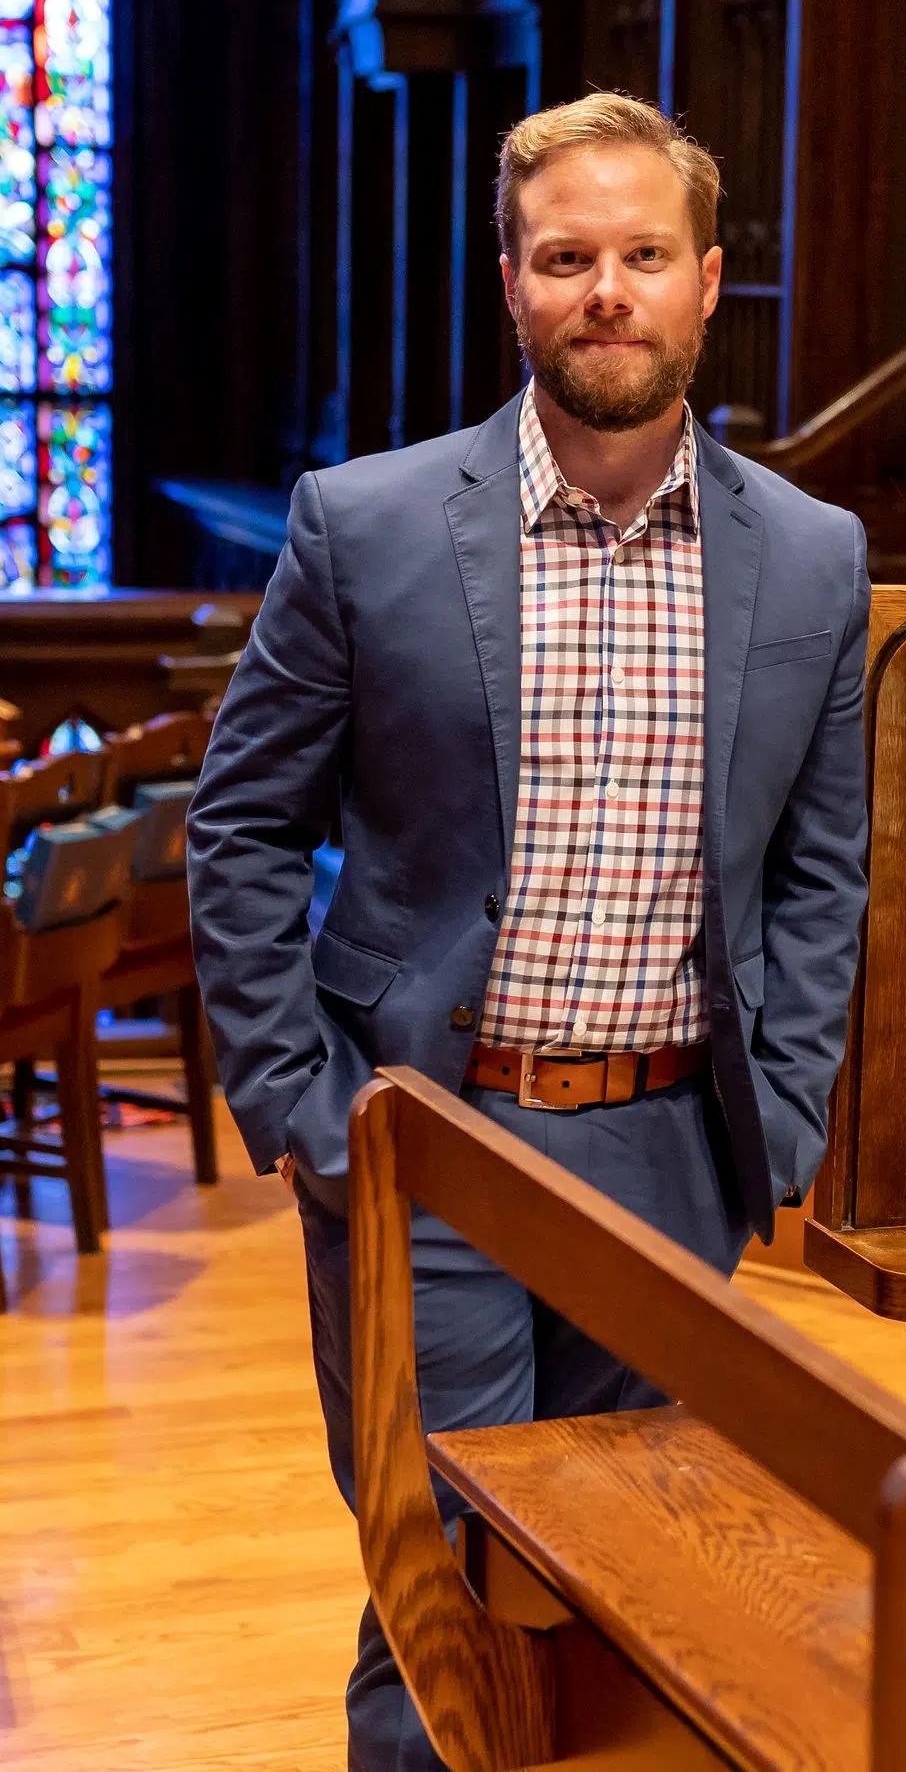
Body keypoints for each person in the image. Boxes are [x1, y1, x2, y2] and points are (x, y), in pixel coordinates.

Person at [187, 92, 870, 1770]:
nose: (608, 291)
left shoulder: (815, 556)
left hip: (672, 1159)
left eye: (645, 255)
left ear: (709, 281)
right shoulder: (369, 524)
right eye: (569, 257)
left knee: (639, 1594)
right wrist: (309, 1115)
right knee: (443, 1601)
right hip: (432, 1137)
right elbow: (242, 829)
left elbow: (823, 869)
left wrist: (776, 1126)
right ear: (513, 284)